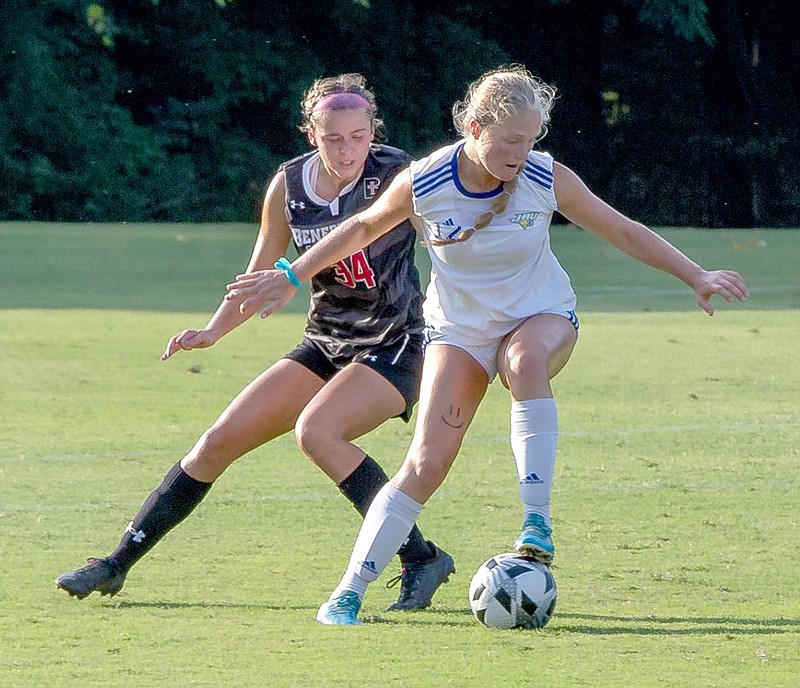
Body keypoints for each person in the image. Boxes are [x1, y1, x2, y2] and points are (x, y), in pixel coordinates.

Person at [225, 65, 749, 625]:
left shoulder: (546, 178)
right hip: (459, 330)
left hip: (541, 314)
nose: (521, 152)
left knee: (523, 361)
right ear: (474, 129)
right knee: (424, 464)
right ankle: (350, 590)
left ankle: (536, 522)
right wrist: (291, 274)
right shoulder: (424, 181)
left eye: (529, 140)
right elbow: (357, 230)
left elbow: (621, 229)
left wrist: (695, 274)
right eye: (509, 140)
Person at [55, 73, 455, 611]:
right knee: (218, 440)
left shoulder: (396, 173)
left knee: (319, 431)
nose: (348, 149)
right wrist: (213, 329)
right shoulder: (288, 186)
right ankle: (115, 563)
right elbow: (260, 273)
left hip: (396, 343)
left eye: (359, 136)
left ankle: (417, 557)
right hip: (325, 342)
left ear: (372, 131)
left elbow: (442, 236)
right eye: (333, 138)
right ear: (311, 134)